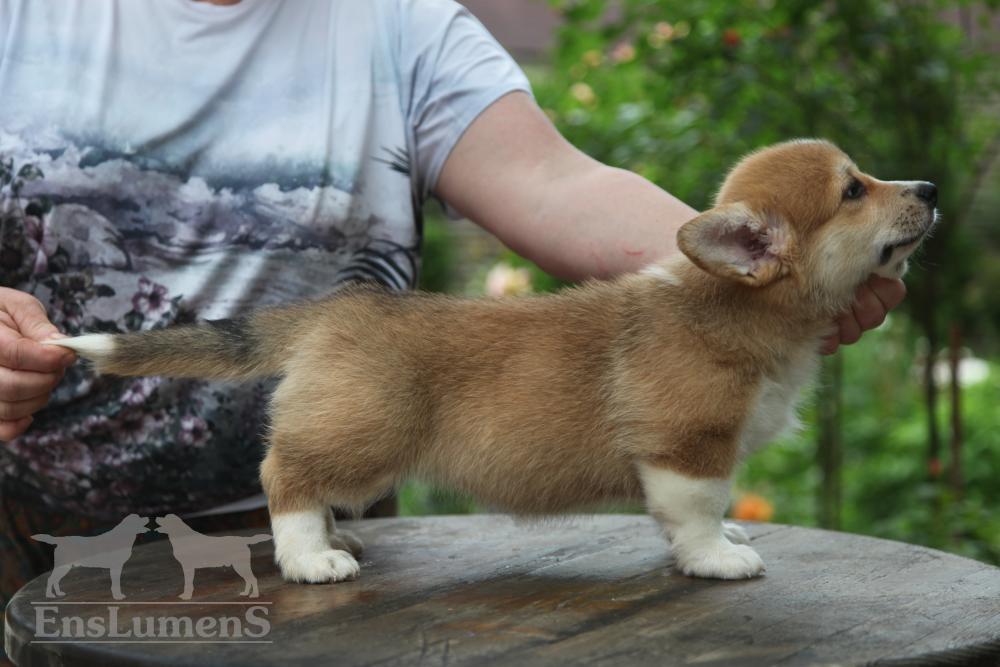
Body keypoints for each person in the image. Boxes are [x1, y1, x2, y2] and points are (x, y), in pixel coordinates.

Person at [0, 0, 903, 612]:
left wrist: (760, 273)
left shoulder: (402, 24)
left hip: (343, 568)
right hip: (28, 537)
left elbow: (552, 183)